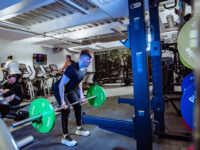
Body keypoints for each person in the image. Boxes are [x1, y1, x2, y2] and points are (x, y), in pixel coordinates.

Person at [52, 50, 92, 147]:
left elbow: (79, 81)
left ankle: (79, 129)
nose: (89, 62)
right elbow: (62, 84)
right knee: (66, 110)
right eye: (88, 60)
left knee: (78, 105)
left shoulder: (85, 69)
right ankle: (65, 137)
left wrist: (81, 94)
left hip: (70, 89)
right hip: (59, 89)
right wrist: (62, 102)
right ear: (81, 58)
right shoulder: (71, 69)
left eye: (90, 60)